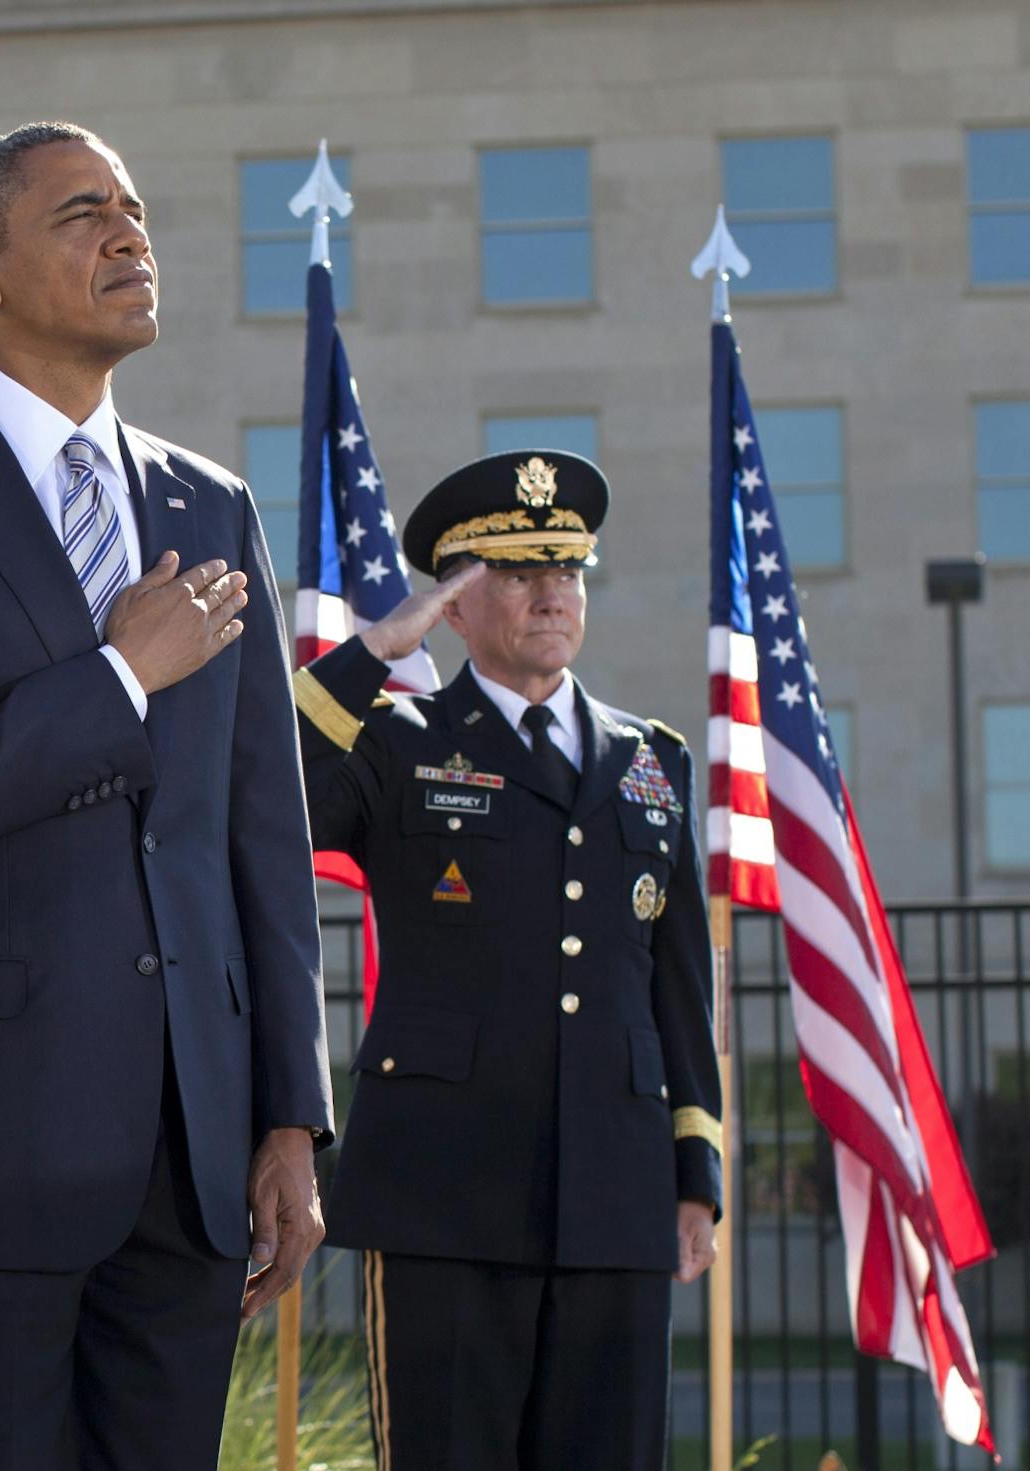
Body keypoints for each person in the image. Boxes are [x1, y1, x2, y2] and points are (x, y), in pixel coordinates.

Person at [0, 121, 333, 1470]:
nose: (129, 232)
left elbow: (261, 835)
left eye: (137, 208)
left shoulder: (212, 507)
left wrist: (287, 1114)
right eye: (83, 211)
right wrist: (116, 677)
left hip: (193, 1157)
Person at [292, 448, 723, 1469]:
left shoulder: (651, 761)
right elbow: (271, 792)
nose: (550, 596)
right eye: (518, 574)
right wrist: (368, 652)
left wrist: (693, 1168)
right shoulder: (401, 743)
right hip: (446, 1194)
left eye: (567, 571)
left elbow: (677, 985)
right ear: (456, 603)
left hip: (616, 1199)